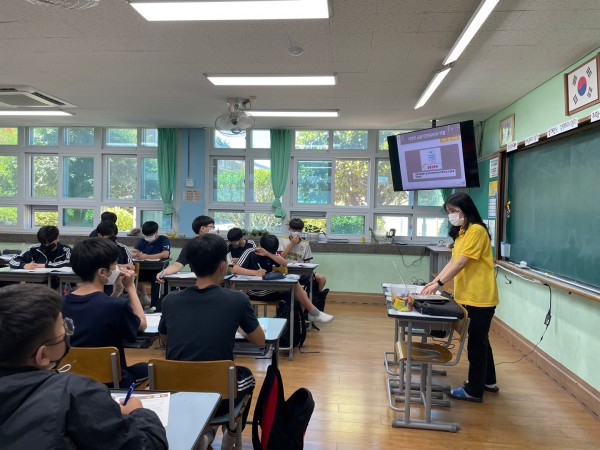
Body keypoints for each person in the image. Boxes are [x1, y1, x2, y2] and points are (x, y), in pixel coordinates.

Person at [0, 283, 167, 449]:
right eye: (63, 328)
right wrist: (139, 413)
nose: (67, 333)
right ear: (43, 355)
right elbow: (148, 445)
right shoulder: (75, 394)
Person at [158, 234, 265, 450]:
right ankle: (232, 430)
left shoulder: (170, 300)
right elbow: (260, 341)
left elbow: (165, 339)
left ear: (191, 265)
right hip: (220, 399)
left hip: (176, 394)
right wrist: (238, 326)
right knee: (247, 376)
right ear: (223, 265)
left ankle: (204, 432)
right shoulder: (237, 300)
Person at [420, 192, 499, 403]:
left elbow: (462, 263)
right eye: (449, 212)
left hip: (480, 296)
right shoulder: (462, 232)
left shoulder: (477, 231)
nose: (451, 215)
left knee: (476, 344)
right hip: (468, 295)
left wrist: (438, 284)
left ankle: (474, 390)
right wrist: (435, 281)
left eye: (454, 211)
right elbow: (452, 261)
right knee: (481, 339)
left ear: (466, 210)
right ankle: (488, 381)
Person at [62, 238, 149, 387]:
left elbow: (95, 309)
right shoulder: (117, 306)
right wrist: (131, 288)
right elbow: (142, 324)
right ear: (102, 272)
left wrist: (116, 292)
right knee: (148, 369)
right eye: (115, 265)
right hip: (111, 380)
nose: (118, 269)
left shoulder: (60, 302)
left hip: (72, 377)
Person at [233, 233, 334, 324]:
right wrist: (255, 273)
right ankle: (312, 314)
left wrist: (268, 254)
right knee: (297, 290)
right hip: (255, 291)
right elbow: (235, 269)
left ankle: (298, 324)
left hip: (271, 289)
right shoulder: (250, 252)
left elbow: (284, 263)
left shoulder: (271, 253)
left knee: (298, 290)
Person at [156, 215, 220, 283]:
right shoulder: (191, 245)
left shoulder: (217, 244)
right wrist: (163, 272)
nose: (214, 229)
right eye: (212, 227)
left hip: (216, 280)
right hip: (196, 281)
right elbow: (177, 265)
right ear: (202, 228)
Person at [279, 218, 327, 292]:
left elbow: (307, 263)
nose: (296, 233)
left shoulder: (305, 244)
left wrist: (301, 266)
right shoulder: (282, 240)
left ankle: (317, 297)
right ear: (289, 229)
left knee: (321, 278)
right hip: (285, 271)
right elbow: (280, 257)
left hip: (300, 272)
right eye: (294, 230)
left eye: (299, 231)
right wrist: (292, 244)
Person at [131, 221, 171, 308]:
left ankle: (155, 306)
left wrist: (147, 256)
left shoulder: (164, 239)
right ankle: (135, 303)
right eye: (146, 235)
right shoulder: (143, 241)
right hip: (144, 270)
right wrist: (134, 254)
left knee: (156, 280)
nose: (147, 238)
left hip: (158, 270)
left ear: (156, 232)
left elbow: (165, 254)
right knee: (130, 277)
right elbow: (134, 251)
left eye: (150, 235)